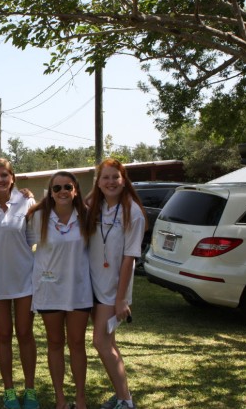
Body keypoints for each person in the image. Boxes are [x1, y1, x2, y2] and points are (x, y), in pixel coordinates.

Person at [27, 171, 93, 409]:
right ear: (51, 193)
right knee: (55, 343)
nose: (62, 191)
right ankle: (60, 399)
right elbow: (24, 245)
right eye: (57, 188)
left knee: (77, 344)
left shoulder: (86, 216)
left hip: (79, 291)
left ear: (75, 190)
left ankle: (81, 399)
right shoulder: (38, 217)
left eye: (67, 187)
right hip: (49, 291)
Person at [0, 158, 40, 409]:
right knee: (3, 334)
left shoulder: (26, 201)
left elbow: (34, 241)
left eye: (4, 175)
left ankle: (31, 389)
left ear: (12, 177)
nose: (0, 180)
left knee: (25, 333)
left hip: (24, 278)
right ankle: (9, 391)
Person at [85, 159, 146, 409]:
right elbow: (68, 201)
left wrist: (121, 298)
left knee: (100, 342)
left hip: (113, 290)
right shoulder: (94, 207)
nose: (111, 182)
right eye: (105, 178)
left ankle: (125, 400)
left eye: (115, 177)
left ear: (124, 180)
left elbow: (129, 258)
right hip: (92, 285)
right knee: (107, 343)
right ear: (98, 183)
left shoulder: (133, 212)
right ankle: (122, 396)